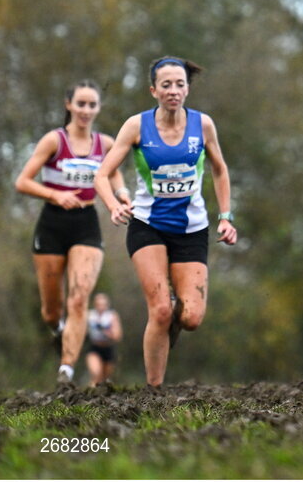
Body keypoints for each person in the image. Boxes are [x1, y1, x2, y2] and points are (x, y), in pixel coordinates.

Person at [94, 57, 237, 387]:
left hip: (192, 230)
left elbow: (219, 169)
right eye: (166, 85)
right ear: (154, 90)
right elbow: (102, 174)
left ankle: (175, 317)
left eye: (180, 84)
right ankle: (154, 392)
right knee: (159, 309)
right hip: (148, 226)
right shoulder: (136, 127)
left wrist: (226, 218)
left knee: (191, 318)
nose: (174, 91)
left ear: (188, 89)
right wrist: (114, 204)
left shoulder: (203, 126)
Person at [14, 79, 130, 386]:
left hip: (85, 224)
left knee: (79, 299)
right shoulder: (54, 141)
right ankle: (58, 330)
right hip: (52, 224)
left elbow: (114, 171)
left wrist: (123, 193)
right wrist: (54, 195)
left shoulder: (104, 144)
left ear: (98, 108)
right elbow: (23, 181)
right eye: (80, 103)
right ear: (69, 105)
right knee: (52, 310)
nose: (86, 110)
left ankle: (66, 368)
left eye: (92, 104)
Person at [86, 292, 122, 386]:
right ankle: (89, 396)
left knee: (105, 379)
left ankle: (101, 397)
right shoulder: (90, 315)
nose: (101, 307)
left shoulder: (111, 316)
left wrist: (106, 332)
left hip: (108, 348)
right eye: (98, 304)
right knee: (96, 374)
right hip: (94, 348)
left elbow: (117, 336)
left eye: (103, 304)